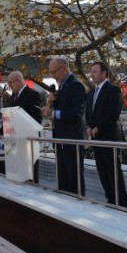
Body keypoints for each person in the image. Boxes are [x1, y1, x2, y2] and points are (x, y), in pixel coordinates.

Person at [85, 61, 127, 207]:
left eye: (95, 71)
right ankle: (110, 199)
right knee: (102, 169)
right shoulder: (91, 92)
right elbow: (88, 112)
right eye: (91, 72)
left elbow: (113, 113)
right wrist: (88, 126)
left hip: (109, 136)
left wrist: (98, 127)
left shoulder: (113, 90)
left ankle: (122, 202)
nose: (92, 74)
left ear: (104, 73)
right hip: (96, 137)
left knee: (113, 170)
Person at [41, 58, 86, 195]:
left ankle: (78, 205)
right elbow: (60, 111)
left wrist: (54, 113)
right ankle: (65, 202)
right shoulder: (62, 86)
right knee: (63, 177)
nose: (53, 76)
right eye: (50, 73)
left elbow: (76, 114)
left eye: (54, 72)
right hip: (61, 138)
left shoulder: (76, 85)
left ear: (64, 68)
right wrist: (51, 104)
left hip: (72, 139)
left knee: (74, 177)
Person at [0, 70, 43, 181]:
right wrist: (0, 131)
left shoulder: (32, 94)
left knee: (30, 170)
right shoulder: (14, 96)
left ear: (18, 81)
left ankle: (33, 187)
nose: (9, 86)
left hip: (28, 139)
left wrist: (23, 127)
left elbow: (37, 118)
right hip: (16, 139)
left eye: (10, 83)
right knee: (19, 169)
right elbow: (10, 116)